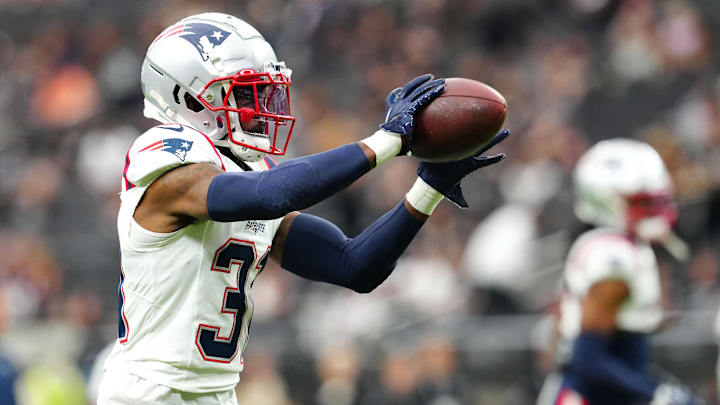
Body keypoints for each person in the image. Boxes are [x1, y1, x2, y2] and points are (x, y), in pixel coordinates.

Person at [97, 12, 509, 405]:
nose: (261, 107)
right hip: (148, 393)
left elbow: (354, 266)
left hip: (215, 393)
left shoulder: (249, 172)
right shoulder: (162, 156)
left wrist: (429, 187)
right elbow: (267, 194)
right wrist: (387, 141)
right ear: (187, 97)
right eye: (245, 92)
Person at [536, 139, 702, 405]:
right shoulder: (615, 256)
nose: (656, 211)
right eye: (644, 202)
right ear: (604, 199)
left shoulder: (609, 244)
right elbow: (588, 359)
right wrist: (658, 396)